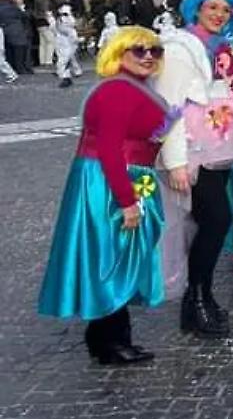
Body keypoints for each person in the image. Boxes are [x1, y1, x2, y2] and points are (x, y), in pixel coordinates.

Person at [38, 27, 170, 365]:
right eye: (139, 50)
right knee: (111, 257)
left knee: (117, 255)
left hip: (127, 176)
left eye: (155, 50)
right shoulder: (116, 91)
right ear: (119, 52)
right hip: (110, 180)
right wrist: (126, 200)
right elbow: (110, 149)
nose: (148, 56)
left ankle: (110, 336)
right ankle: (108, 339)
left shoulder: (135, 87)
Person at [151, 0, 233, 332]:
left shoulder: (216, 46)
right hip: (191, 151)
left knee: (211, 222)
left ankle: (202, 298)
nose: (219, 15)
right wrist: (176, 161)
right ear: (196, 9)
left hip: (215, 146)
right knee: (216, 219)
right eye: (212, 8)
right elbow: (169, 108)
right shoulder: (179, 49)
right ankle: (194, 301)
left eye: (225, 10)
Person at [54, 5, 83, 88]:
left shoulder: (63, 20)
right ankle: (64, 74)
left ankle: (69, 74)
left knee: (68, 58)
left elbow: (71, 26)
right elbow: (67, 29)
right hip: (64, 42)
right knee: (65, 58)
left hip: (65, 42)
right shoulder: (62, 21)